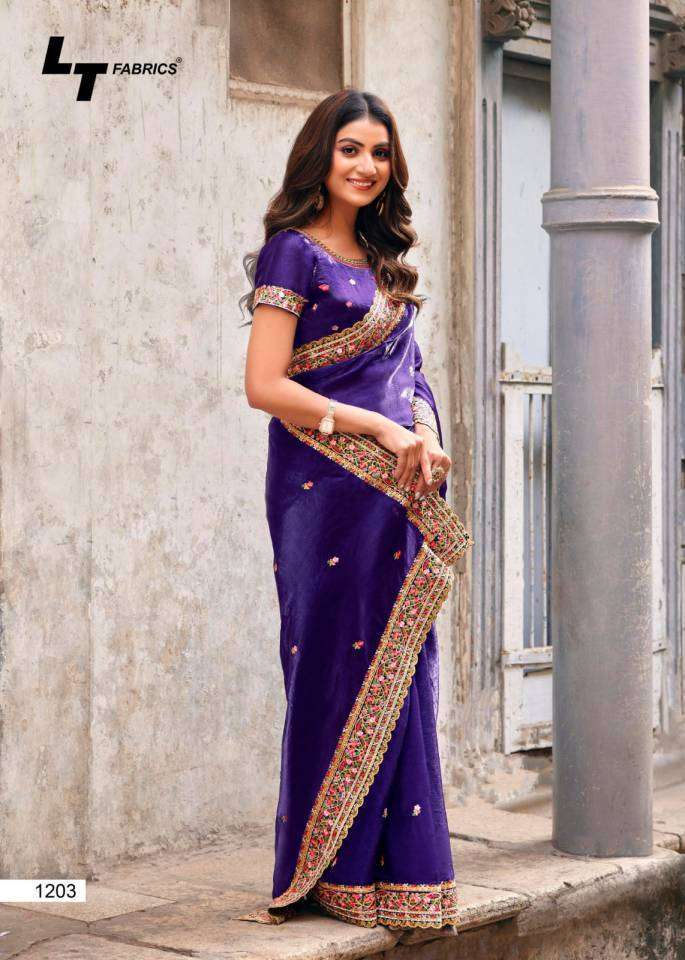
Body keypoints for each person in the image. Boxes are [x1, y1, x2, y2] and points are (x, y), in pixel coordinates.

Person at [239, 88, 473, 930]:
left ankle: (392, 877)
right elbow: (264, 385)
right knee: (332, 668)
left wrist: (422, 434)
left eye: (379, 152)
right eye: (350, 150)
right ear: (320, 156)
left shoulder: (385, 264)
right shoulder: (291, 253)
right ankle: (323, 870)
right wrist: (376, 426)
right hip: (324, 491)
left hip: (393, 491)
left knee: (399, 669)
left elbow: (410, 376)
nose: (366, 166)